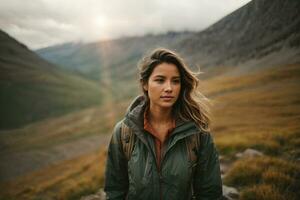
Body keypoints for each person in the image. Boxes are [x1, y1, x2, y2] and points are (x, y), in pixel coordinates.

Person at [104, 48, 223, 200]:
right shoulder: (123, 132)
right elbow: (115, 191)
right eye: (160, 80)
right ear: (145, 84)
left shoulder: (198, 132)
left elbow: (209, 192)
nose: (169, 88)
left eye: (175, 81)